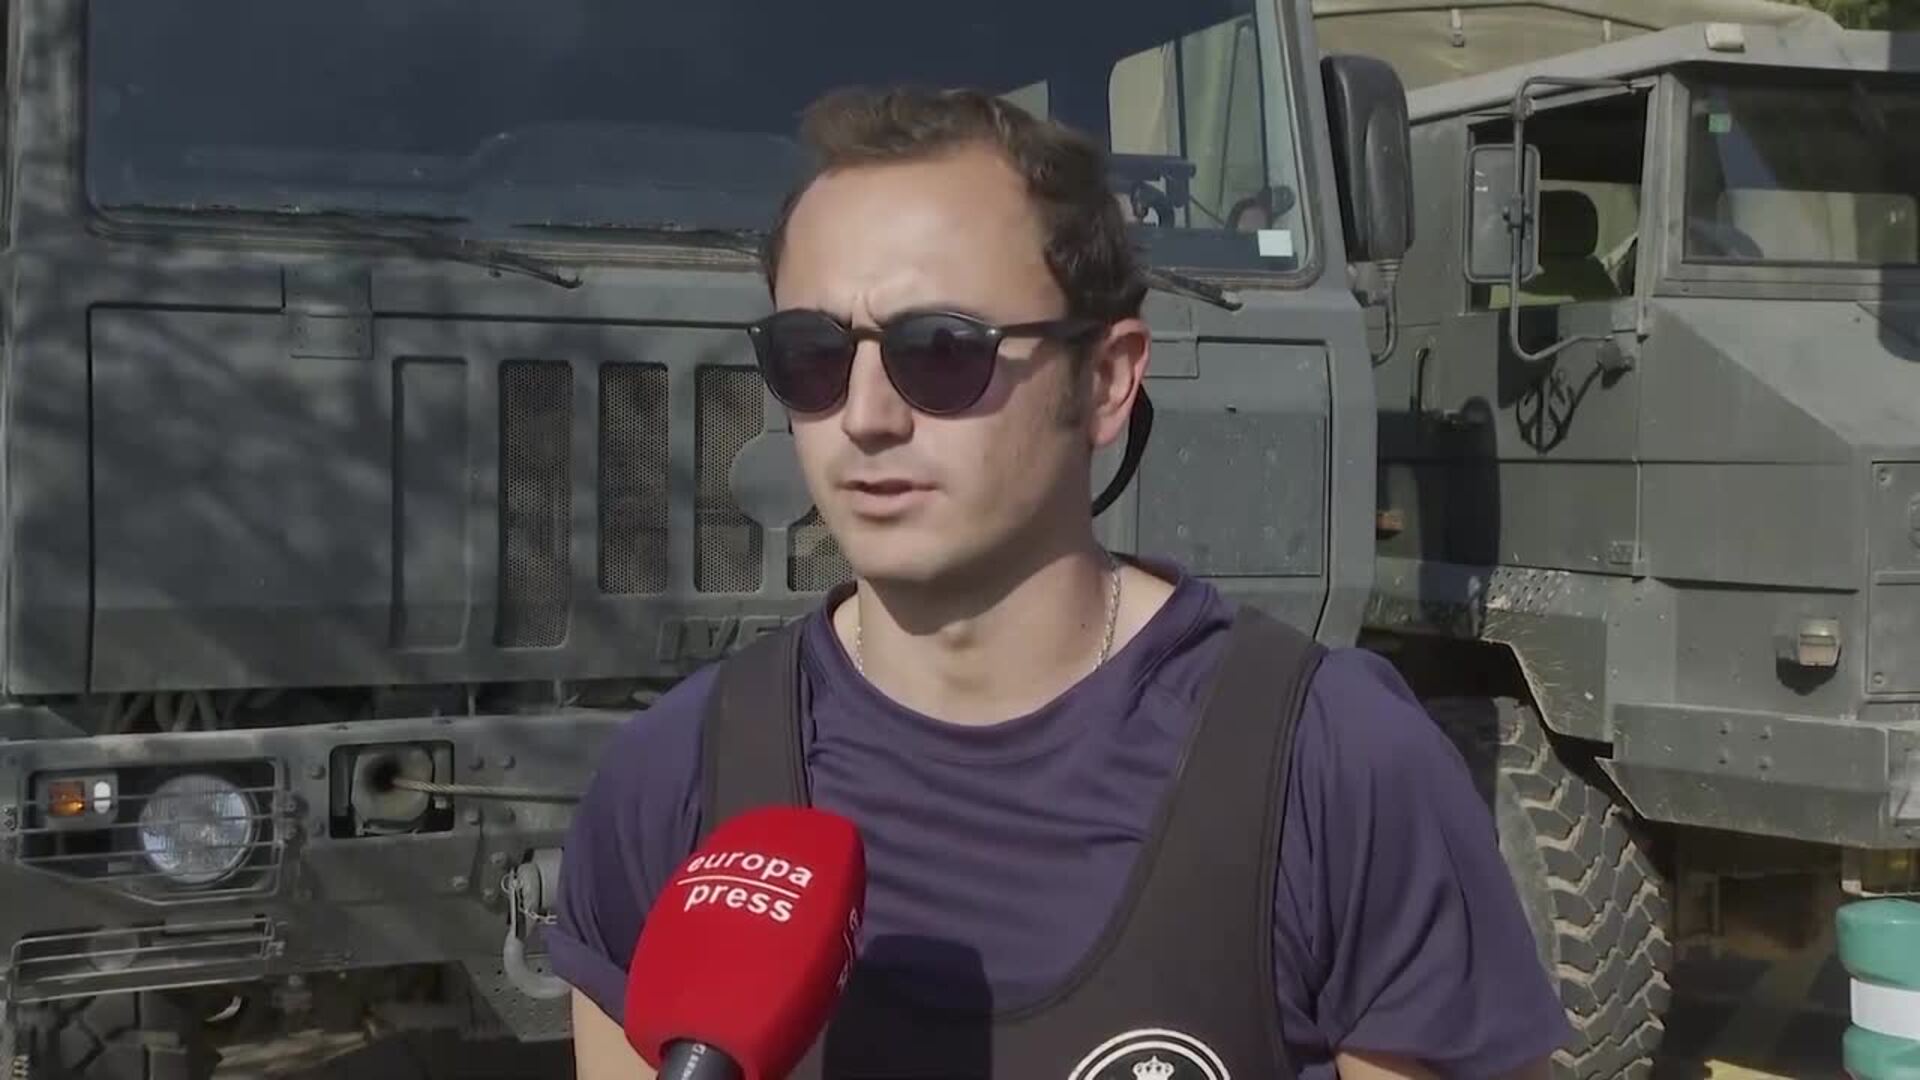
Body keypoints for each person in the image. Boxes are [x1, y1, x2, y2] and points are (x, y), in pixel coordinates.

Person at [555, 85, 1571, 1080]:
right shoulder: (674, 779)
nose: (864, 416)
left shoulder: (1337, 768)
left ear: (1108, 379)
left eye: (940, 350)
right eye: (812, 355)